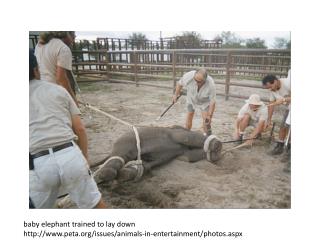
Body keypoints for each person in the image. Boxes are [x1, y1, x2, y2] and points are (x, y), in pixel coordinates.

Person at [29, 50, 106, 209]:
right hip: (70, 155)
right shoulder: (58, 90)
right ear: (36, 70)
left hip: (38, 162)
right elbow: (80, 128)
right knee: (96, 206)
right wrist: (84, 159)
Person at [34, 31, 77, 104]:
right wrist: (73, 99)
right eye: (73, 35)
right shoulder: (63, 48)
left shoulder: (39, 44)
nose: (73, 39)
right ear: (67, 34)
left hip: (41, 90)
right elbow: (61, 78)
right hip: (55, 92)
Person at [173, 68, 216, 135]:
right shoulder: (189, 76)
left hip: (204, 101)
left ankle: (206, 135)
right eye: (195, 80)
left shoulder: (211, 84)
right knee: (189, 114)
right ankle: (187, 133)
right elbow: (179, 84)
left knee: (206, 119)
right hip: (191, 98)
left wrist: (209, 115)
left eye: (199, 81)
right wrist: (175, 95)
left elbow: (212, 101)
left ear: (204, 80)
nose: (196, 82)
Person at [262, 69, 291, 155]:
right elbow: (271, 105)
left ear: (275, 81)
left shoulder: (288, 83)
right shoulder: (272, 91)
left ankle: (289, 148)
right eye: (268, 88)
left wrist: (284, 99)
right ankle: (280, 146)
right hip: (289, 108)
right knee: (283, 126)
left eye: (270, 86)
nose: (270, 89)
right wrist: (269, 119)